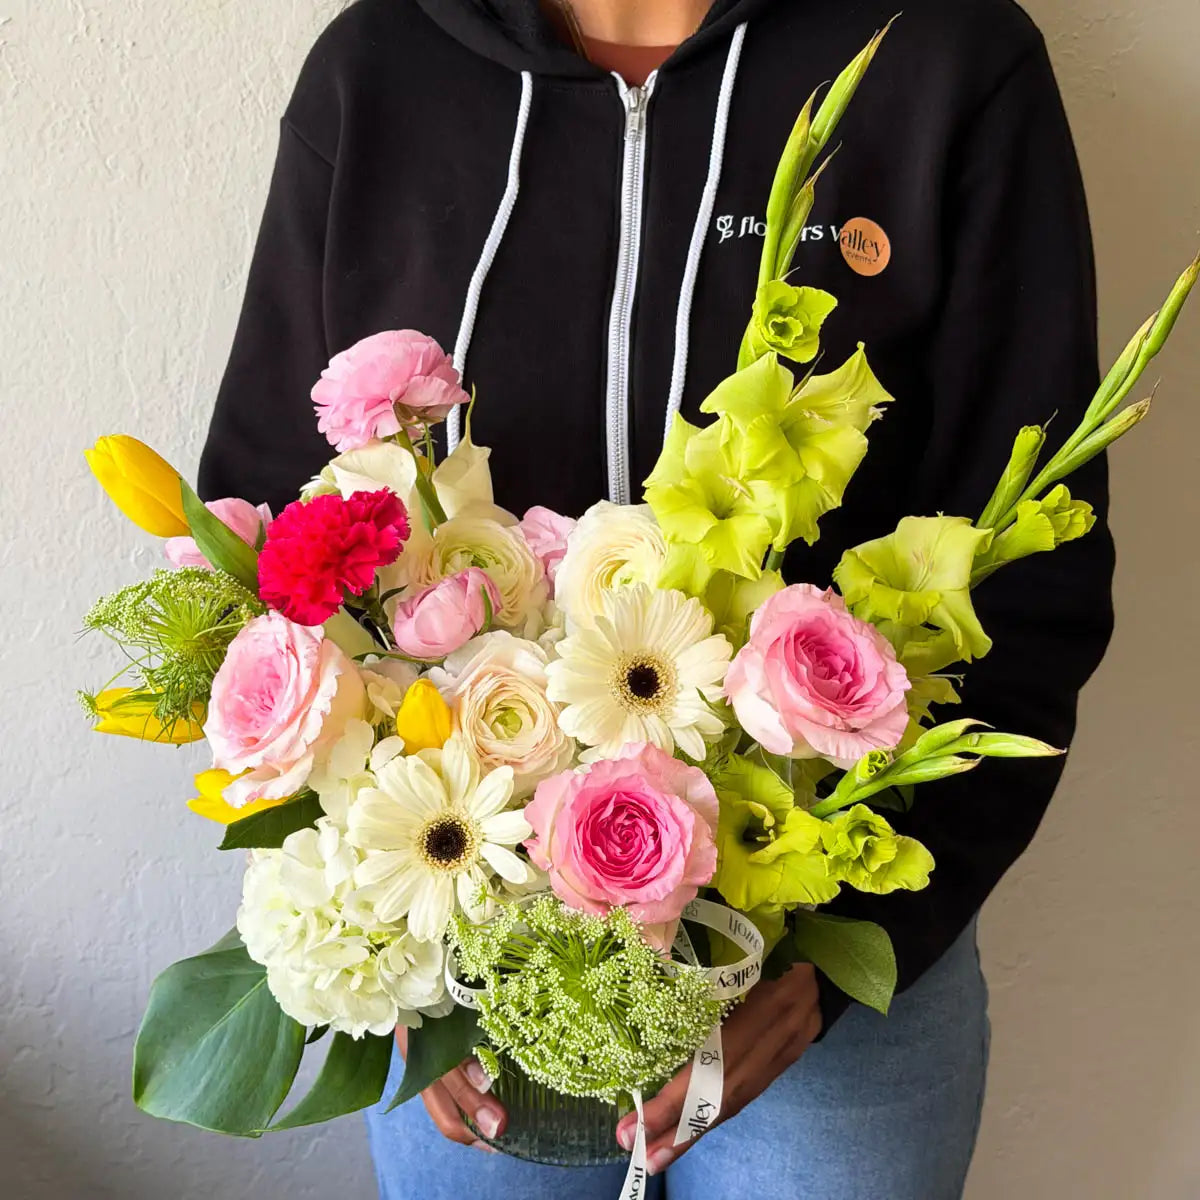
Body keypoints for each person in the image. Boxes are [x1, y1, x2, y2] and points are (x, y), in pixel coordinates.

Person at [197, 1, 1115, 1196]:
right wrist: (390, 943)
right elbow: (274, 534)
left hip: (820, 980)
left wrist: (835, 975)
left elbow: (1032, 576)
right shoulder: (381, 71)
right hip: (477, 989)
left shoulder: (942, 56)